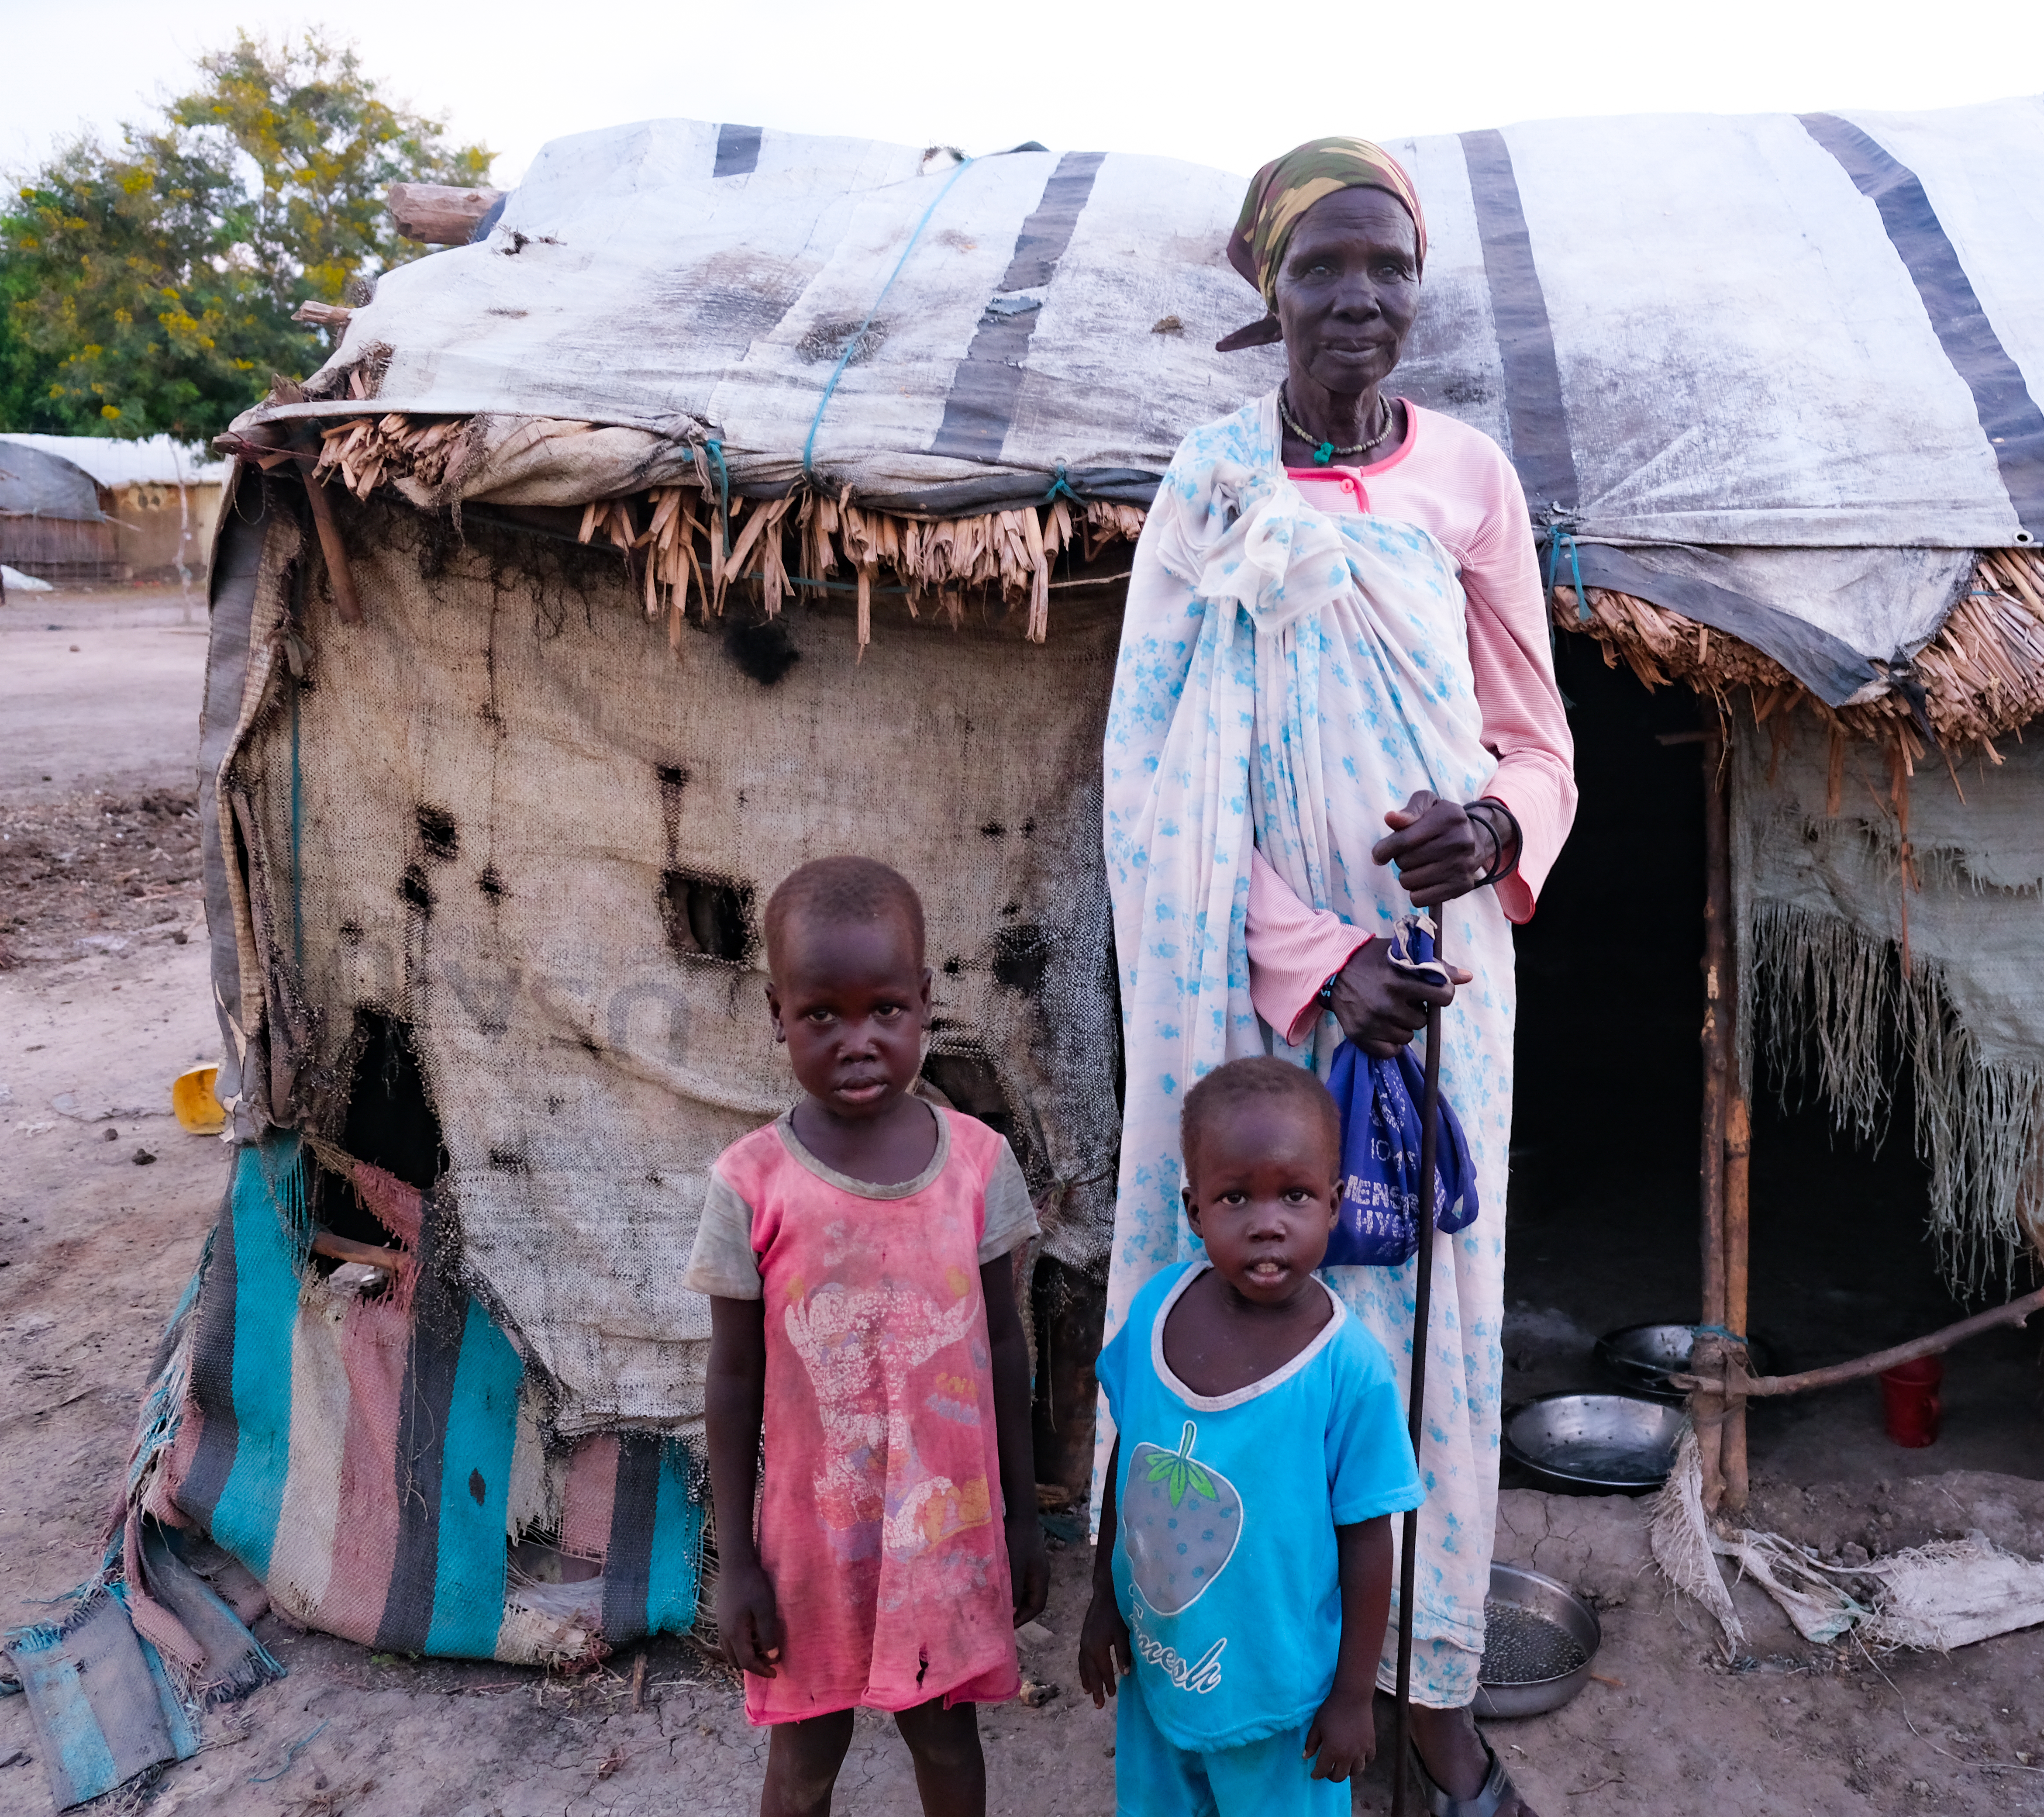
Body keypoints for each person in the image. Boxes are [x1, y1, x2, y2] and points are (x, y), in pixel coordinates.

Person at [1102, 137, 1575, 1817]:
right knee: (1262, 1304)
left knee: (1440, 1314)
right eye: (1323, 268)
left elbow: (1539, 739)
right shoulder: (1212, 480)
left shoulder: (1472, 480)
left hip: (1450, 980)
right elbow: (1155, 780)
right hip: (1269, 997)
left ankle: (1430, 1682)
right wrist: (1316, 958)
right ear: (1271, 292)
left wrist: (1497, 822)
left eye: (1387, 267)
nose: (1359, 296)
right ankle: (1258, 1663)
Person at [686, 855, 1050, 1817]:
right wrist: (739, 1563)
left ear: (925, 1002)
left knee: (948, 1742)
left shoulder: (979, 1163)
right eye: (822, 1016)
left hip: (949, 1530)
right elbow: (732, 1382)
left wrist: (1020, 1515)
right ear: (776, 1012)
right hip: (812, 1548)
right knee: (804, 1763)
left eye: (885, 1010)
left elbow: (1005, 1351)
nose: (858, 1042)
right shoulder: (752, 1183)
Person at [1079, 1057, 1422, 1816]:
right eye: (1237, 1197)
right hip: (1160, 1671)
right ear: (1194, 1210)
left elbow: (1370, 1542)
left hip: (1283, 1703)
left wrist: (1354, 1698)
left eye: (1295, 1196)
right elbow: (1128, 1465)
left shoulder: (1348, 1369)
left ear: (1333, 1206)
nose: (1268, 1222)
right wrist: (1104, 1600)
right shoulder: (1155, 1312)